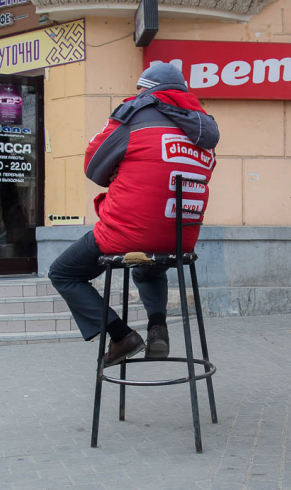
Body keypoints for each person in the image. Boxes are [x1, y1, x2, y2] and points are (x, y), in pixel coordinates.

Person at [48, 63, 220, 367]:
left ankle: (120, 335)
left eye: (140, 90)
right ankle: (158, 327)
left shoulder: (134, 116)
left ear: (147, 90)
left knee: (63, 272)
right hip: (180, 236)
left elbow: (93, 167)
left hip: (128, 231)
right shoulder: (202, 127)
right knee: (148, 266)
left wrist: (121, 168)